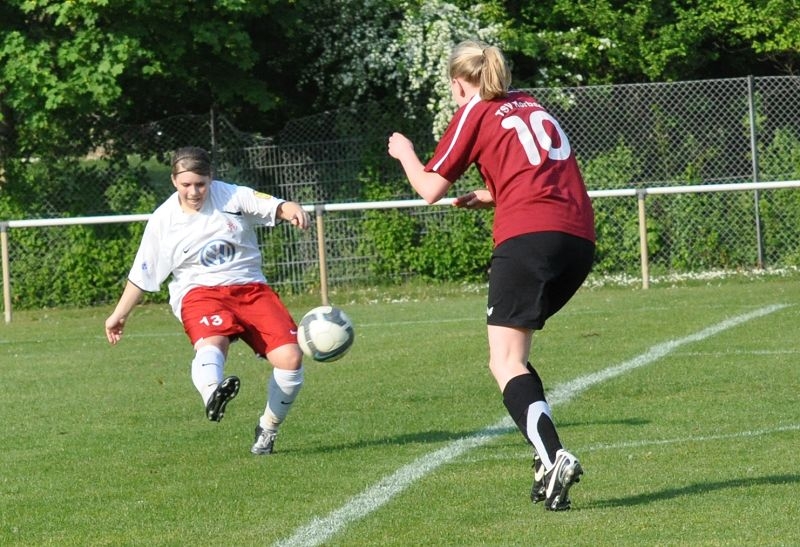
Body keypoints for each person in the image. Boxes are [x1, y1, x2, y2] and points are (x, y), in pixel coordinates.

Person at [388, 40, 596, 511]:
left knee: (503, 361)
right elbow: (537, 169)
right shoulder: (529, 103)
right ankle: (547, 462)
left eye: (453, 89)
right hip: (578, 239)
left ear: (459, 83)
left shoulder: (475, 108)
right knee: (516, 356)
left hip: (528, 237)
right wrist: (492, 193)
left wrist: (404, 152)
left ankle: (554, 454)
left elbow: (429, 189)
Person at [104, 146, 310, 456]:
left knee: (291, 359)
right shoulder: (164, 220)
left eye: (200, 183)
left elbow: (274, 205)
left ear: (210, 179)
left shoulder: (231, 196)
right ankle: (214, 393)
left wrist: (290, 208)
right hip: (200, 293)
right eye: (186, 185)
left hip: (250, 289)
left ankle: (267, 429)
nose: (194, 191)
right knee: (213, 344)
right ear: (174, 181)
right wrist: (119, 314)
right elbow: (143, 273)